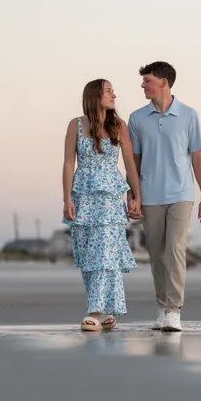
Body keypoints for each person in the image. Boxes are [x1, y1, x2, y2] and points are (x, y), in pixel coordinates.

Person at [127, 61, 201, 332]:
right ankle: (163, 307)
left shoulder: (189, 115)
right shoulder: (137, 118)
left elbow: (198, 157)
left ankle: (174, 310)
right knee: (157, 254)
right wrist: (134, 194)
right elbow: (134, 161)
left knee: (175, 249)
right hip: (150, 195)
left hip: (181, 194)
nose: (143, 85)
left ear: (164, 82)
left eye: (147, 81)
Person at [62, 78, 142, 332]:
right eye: (109, 91)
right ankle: (106, 311)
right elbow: (68, 164)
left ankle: (93, 312)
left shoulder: (119, 126)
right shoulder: (75, 125)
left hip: (109, 197)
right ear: (95, 96)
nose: (114, 95)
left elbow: (129, 164)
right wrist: (66, 199)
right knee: (89, 255)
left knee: (105, 253)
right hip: (83, 196)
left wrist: (136, 196)